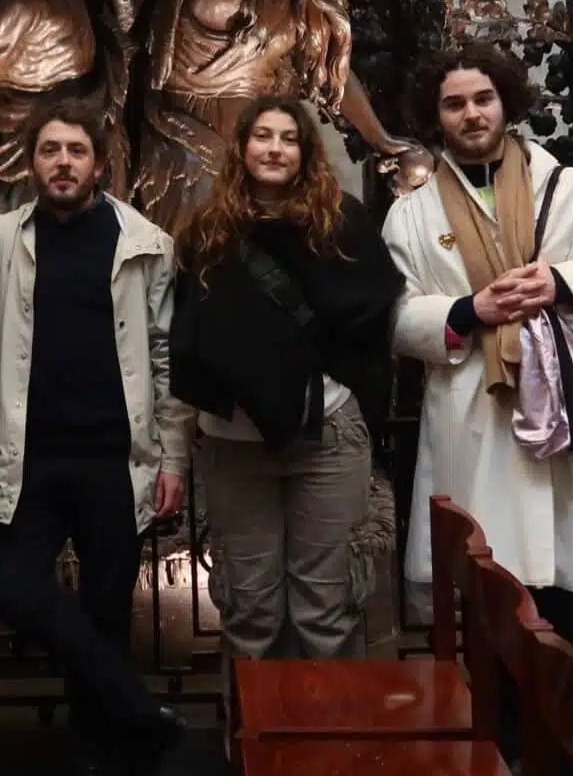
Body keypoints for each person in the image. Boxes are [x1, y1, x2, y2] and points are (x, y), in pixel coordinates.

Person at [382, 43, 573, 659]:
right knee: (487, 588)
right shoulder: (411, 215)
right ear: (436, 115)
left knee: (569, 590)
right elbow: (394, 313)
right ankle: (499, 742)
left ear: (507, 103)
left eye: (484, 98)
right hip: (475, 413)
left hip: (561, 406)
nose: (471, 114)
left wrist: (561, 284)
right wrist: (466, 311)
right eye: (454, 104)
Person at [0, 100, 188, 776]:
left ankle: (103, 763)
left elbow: (162, 355)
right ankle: (136, 708)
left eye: (77, 150)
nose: (63, 161)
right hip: (28, 456)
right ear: (32, 163)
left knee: (105, 609)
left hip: (113, 458)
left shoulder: (145, 242)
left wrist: (171, 455)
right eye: (50, 149)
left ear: (99, 162)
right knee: (17, 589)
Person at [171, 96, 403, 662]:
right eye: (262, 136)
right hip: (234, 442)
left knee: (326, 612)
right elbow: (185, 333)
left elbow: (374, 315)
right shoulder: (207, 230)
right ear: (242, 148)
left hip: (324, 436)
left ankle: (327, 747)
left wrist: (332, 381)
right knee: (249, 614)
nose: (274, 148)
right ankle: (253, 748)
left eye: (289, 138)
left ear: (305, 151)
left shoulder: (341, 222)